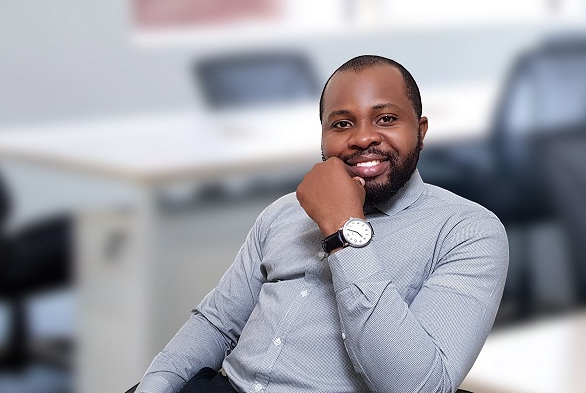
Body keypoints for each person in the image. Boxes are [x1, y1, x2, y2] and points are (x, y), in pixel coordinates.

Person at [135, 55, 508, 393]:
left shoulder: (467, 232)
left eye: (386, 119)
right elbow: (216, 324)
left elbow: (420, 387)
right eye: (342, 124)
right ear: (323, 137)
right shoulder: (283, 213)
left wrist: (342, 228)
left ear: (421, 132)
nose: (363, 138)